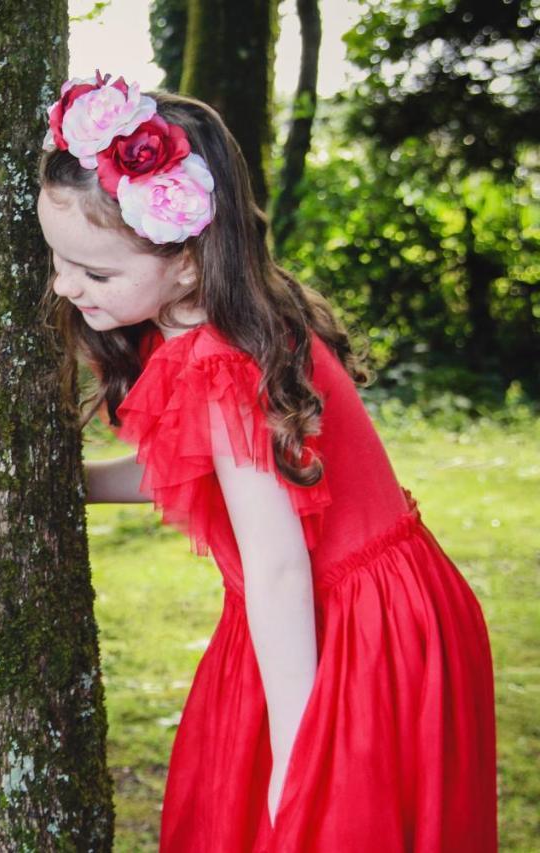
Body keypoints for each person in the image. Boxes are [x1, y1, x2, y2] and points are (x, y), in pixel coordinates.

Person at [37, 74, 497, 850]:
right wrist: (72, 487)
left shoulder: (218, 362)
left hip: (348, 628)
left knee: (306, 822)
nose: (65, 285)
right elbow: (213, 472)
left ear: (187, 259)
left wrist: (299, 756)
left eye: (96, 273)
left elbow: (280, 565)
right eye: (58, 259)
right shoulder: (219, 320)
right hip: (339, 611)